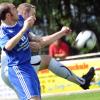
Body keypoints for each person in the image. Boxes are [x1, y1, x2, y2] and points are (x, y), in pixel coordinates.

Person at [1, 3, 95, 98]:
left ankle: (83, 82)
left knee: (46, 62)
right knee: (47, 61)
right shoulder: (11, 28)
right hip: (13, 70)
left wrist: (61, 33)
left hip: (23, 67)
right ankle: (83, 82)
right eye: (33, 14)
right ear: (25, 14)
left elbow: (41, 41)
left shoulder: (21, 25)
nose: (35, 18)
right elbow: (10, 46)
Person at [0, 3, 41, 100]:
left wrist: (33, 40)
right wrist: (23, 29)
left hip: (28, 66)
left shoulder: (20, 20)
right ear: (8, 15)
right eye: (14, 9)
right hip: (18, 70)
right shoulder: (3, 32)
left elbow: (28, 35)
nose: (17, 11)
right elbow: (8, 46)